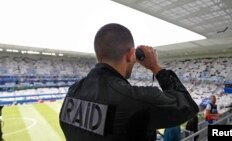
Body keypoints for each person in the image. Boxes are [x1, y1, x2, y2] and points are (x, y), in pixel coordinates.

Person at [59, 23, 199, 141]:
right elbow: (188, 106)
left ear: (98, 54)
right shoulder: (136, 99)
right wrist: (156, 67)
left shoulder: (73, 91)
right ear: (131, 54)